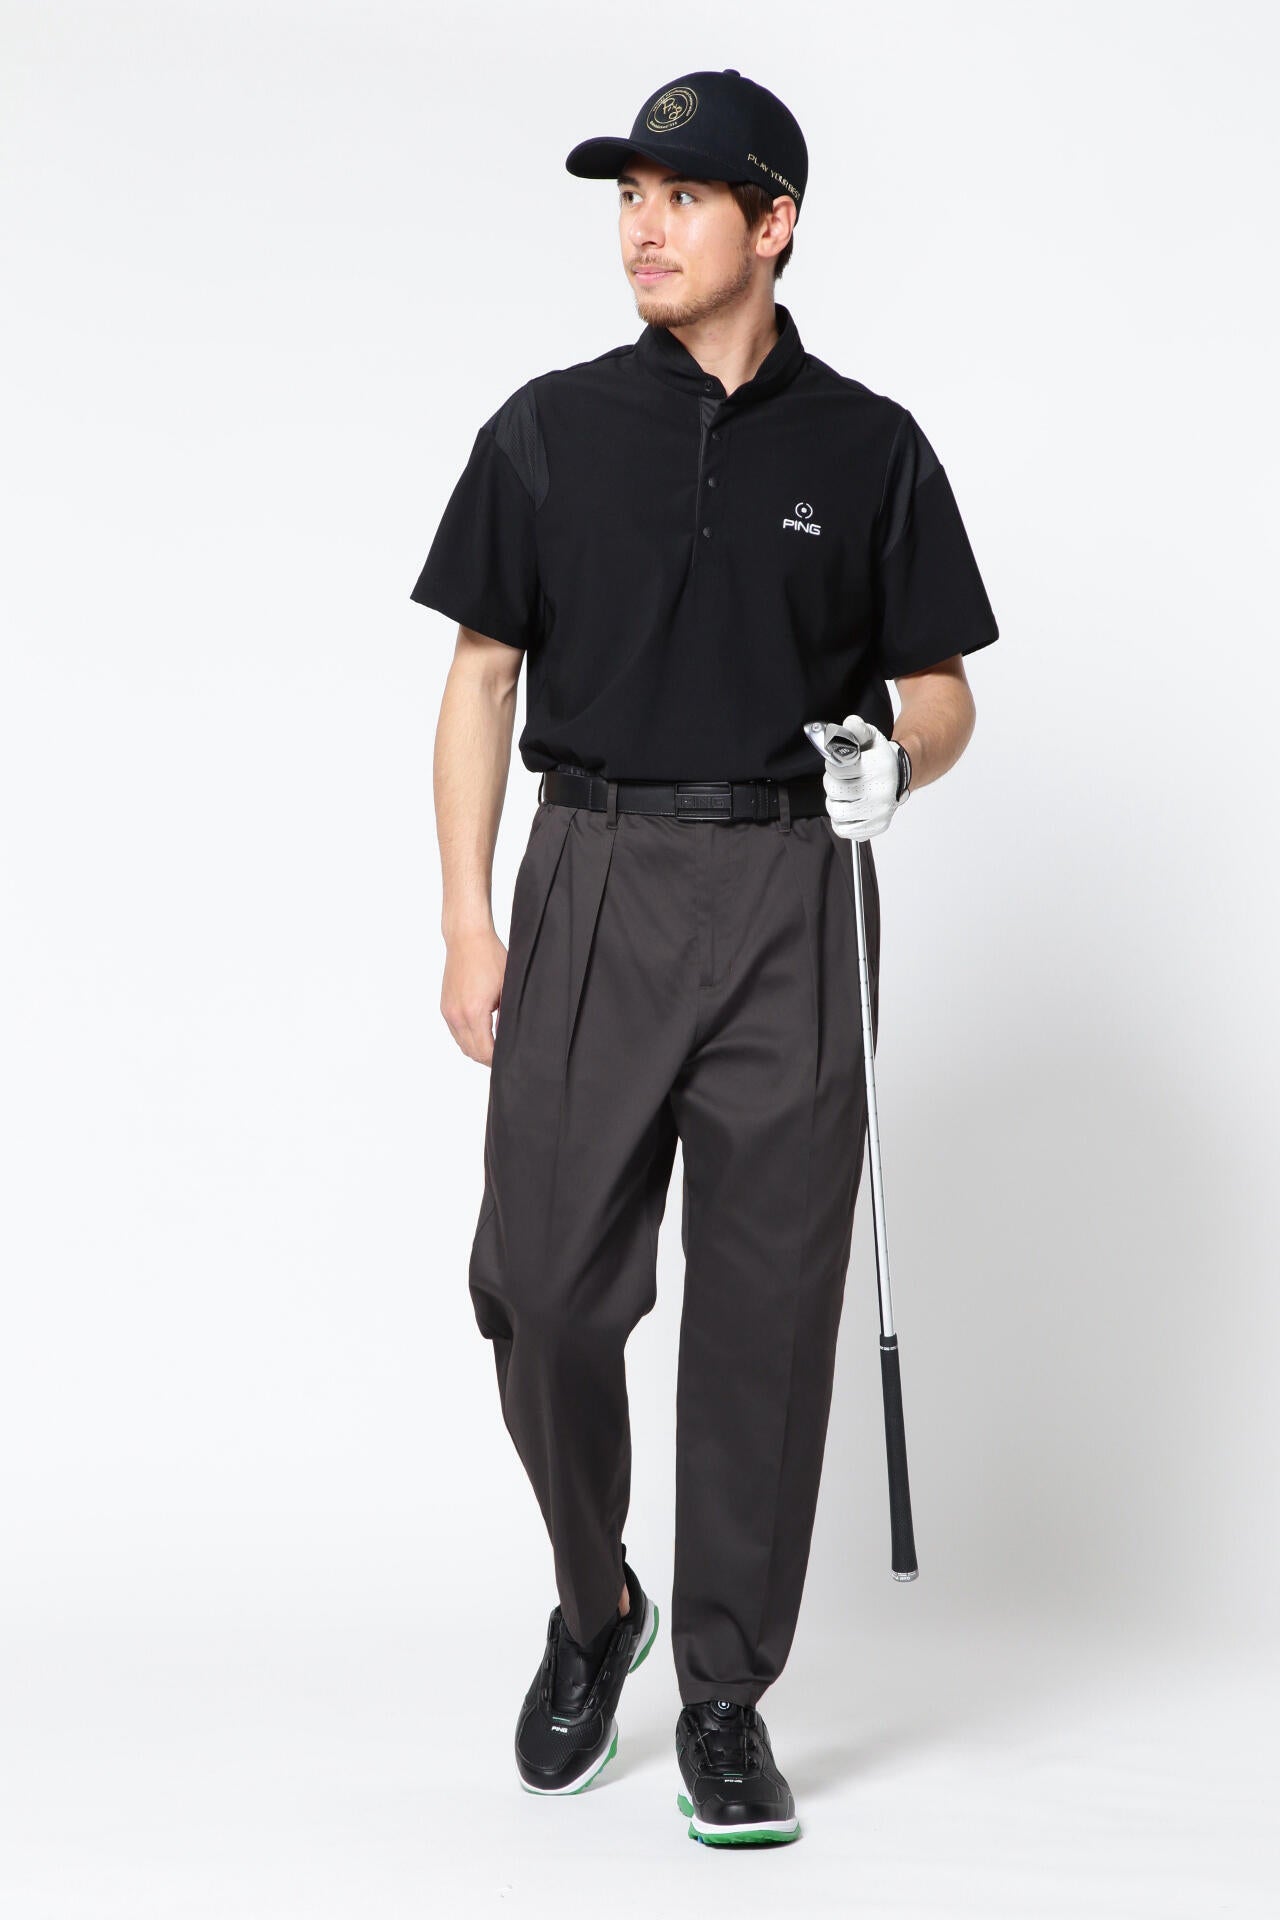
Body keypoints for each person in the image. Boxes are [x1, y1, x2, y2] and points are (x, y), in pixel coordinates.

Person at [411, 67, 1000, 1847]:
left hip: (792, 894)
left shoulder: (871, 448)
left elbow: (943, 691)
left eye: (682, 195)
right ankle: (598, 1604)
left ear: (776, 222)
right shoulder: (549, 430)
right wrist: (468, 913)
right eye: (628, 196)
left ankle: (726, 1697)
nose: (644, 227)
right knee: (542, 1287)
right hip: (590, 874)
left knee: (764, 1315)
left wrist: (895, 758)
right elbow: (481, 680)